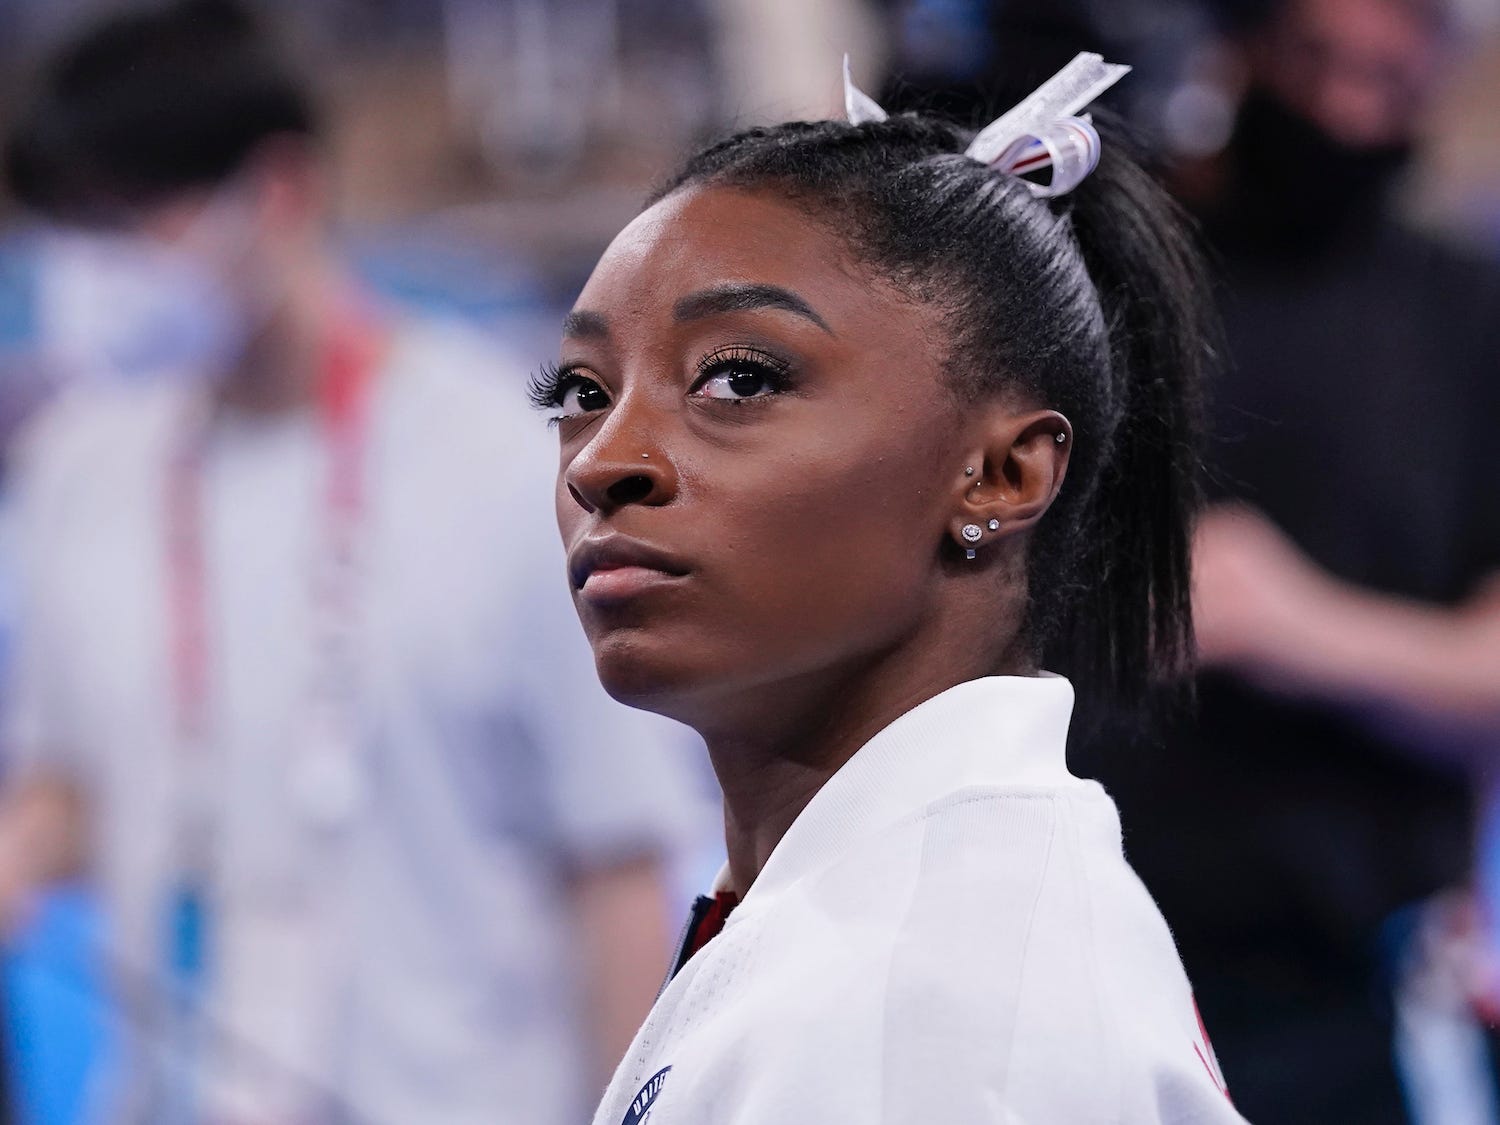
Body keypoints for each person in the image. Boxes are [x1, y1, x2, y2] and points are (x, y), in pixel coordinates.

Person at [0, 2, 697, 1121]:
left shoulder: (505, 470)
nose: (97, 275)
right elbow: (71, 791)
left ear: (275, 192)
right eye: (73, 233)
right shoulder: (86, 466)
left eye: (132, 224)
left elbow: (614, 865)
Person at [533, 54, 1247, 1123]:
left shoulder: (934, 1011)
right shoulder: (863, 929)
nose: (600, 461)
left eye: (739, 378)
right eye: (583, 392)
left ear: (1002, 474)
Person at [1069, 0, 1500, 1121]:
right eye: (1319, 63)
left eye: (1389, 82)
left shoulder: (1462, 318)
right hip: (1077, 950)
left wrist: (1292, 625)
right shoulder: (1109, 270)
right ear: (1248, 45)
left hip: (1341, 986)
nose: (1349, 110)